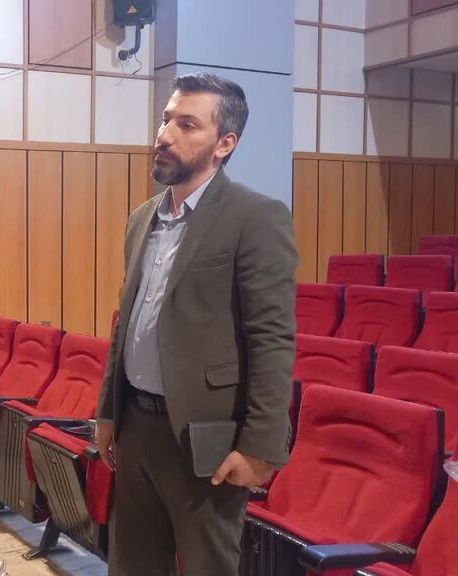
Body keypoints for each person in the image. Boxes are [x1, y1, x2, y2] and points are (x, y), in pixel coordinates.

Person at [95, 73, 297, 575]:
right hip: (136, 426)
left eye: (187, 125)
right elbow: (126, 326)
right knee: (132, 566)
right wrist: (107, 412)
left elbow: (271, 339)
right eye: (166, 119)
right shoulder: (141, 219)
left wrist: (260, 445)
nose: (165, 135)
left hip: (206, 436)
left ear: (224, 143)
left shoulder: (256, 216)